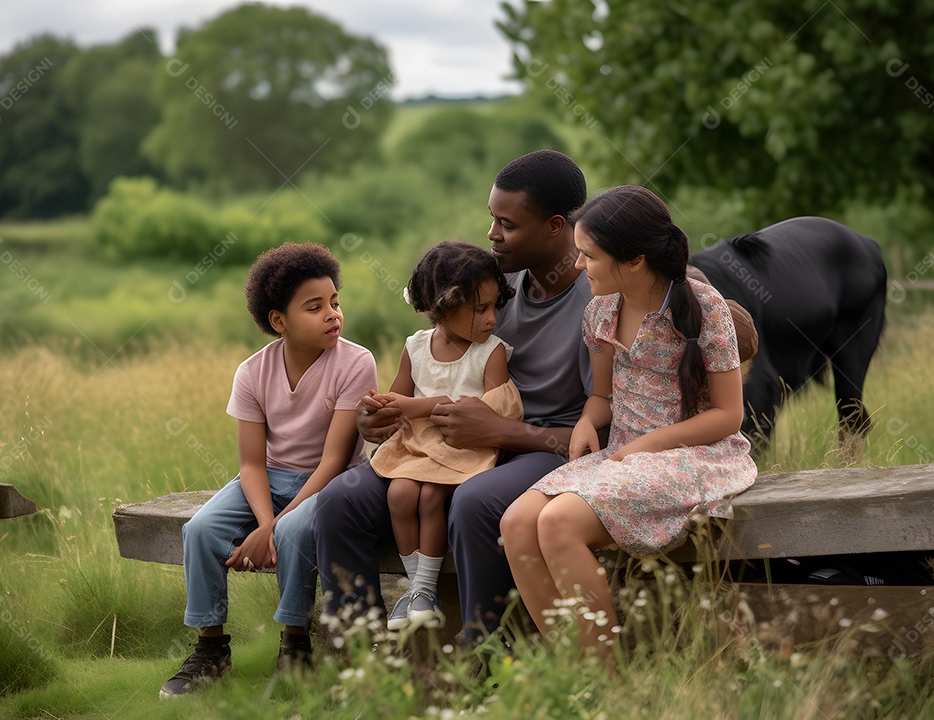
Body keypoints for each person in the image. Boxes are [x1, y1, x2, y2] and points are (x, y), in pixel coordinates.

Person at [314, 150, 759, 647]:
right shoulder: (493, 290)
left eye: (507, 224)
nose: (492, 235)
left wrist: (507, 433)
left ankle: (486, 648)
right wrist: (388, 415)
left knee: (478, 502)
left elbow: (651, 389)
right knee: (340, 503)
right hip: (460, 440)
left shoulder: (604, 296)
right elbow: (435, 360)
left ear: (555, 228)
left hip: (548, 447)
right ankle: (359, 657)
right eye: (491, 220)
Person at [500, 186, 758, 660]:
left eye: (589, 255)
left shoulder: (705, 307)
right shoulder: (600, 310)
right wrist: (585, 423)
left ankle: (604, 678)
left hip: (695, 454)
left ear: (635, 259)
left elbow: (728, 415)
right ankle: (574, 668)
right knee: (517, 521)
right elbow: (602, 397)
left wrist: (651, 444)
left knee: (557, 523)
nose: (577, 266)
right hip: (623, 453)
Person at [160, 243, 377, 698]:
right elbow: (251, 463)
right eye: (314, 307)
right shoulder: (253, 372)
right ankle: (211, 648)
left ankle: (294, 646)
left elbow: (335, 460)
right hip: (269, 479)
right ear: (279, 320)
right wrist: (263, 523)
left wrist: (275, 528)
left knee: (294, 531)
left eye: (335, 302)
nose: (332, 314)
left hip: (334, 482)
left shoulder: (355, 362)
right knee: (200, 529)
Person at [366, 241, 521, 631]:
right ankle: (416, 589)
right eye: (480, 309)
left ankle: (424, 585)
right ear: (444, 308)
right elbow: (399, 393)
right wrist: (382, 404)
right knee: (400, 493)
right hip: (417, 444)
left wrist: (421, 405)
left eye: (494, 306)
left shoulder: (492, 352)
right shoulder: (415, 347)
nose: (492, 318)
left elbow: (492, 410)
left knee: (432, 495)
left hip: (462, 445)